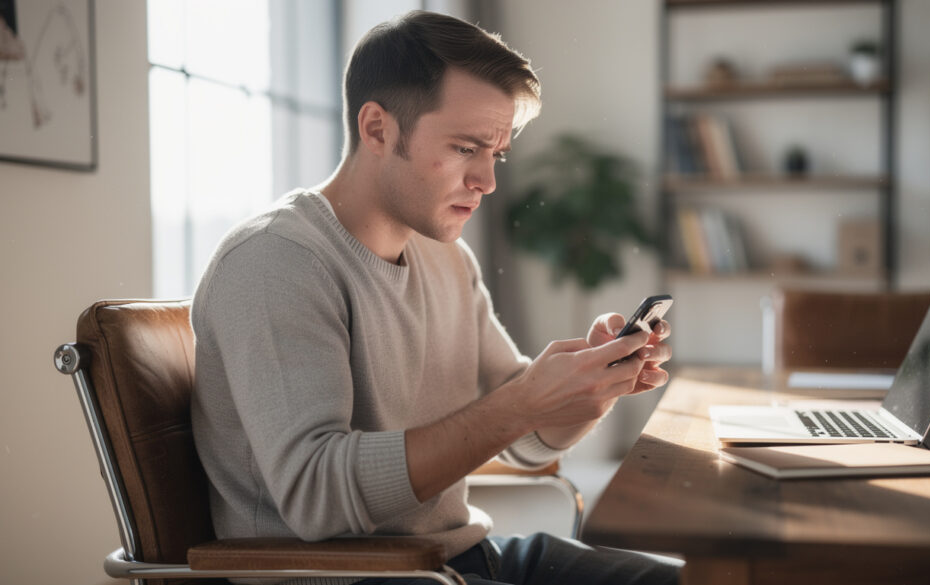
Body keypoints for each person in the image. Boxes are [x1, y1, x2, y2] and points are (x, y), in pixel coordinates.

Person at [190, 10, 680, 585]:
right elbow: (313, 495)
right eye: (465, 147)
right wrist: (524, 401)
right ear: (377, 129)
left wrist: (586, 390)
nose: (487, 182)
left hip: (456, 559)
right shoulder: (275, 262)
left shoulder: (445, 256)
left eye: (494, 154)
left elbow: (523, 440)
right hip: (369, 576)